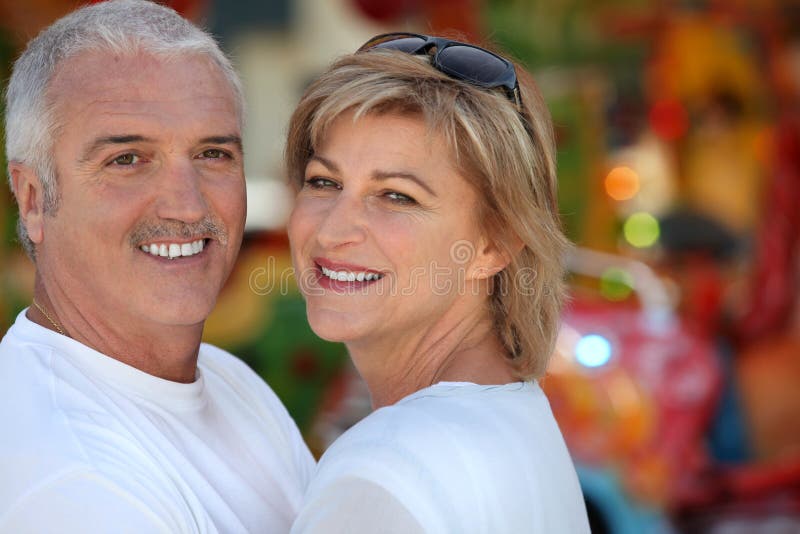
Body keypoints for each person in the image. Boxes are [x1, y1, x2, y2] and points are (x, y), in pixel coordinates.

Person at [0, 1, 314, 532]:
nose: (187, 206)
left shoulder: (228, 381)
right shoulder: (72, 481)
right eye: (127, 159)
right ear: (33, 200)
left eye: (213, 154)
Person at [285, 33, 590, 533]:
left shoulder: (385, 469)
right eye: (324, 182)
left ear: (495, 244)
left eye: (396, 197)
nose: (332, 230)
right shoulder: (515, 415)